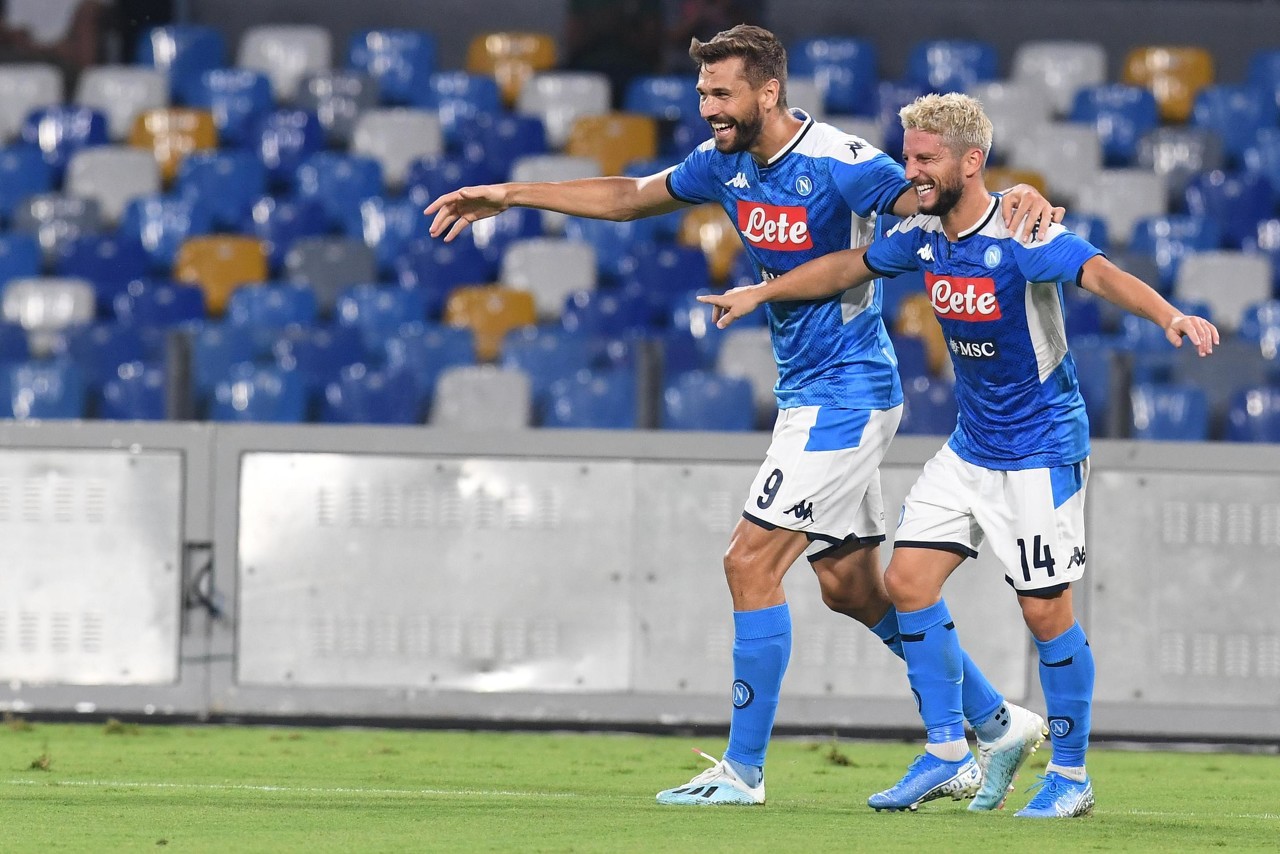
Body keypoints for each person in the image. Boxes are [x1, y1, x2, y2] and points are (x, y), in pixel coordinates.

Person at [426, 25, 1059, 808]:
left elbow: (935, 194)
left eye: (722, 93)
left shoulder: (841, 162)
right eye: (703, 94)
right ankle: (997, 722)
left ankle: (743, 771)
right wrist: (509, 194)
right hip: (811, 395)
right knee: (851, 589)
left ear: (769, 92)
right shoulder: (723, 163)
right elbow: (630, 196)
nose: (709, 108)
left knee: (749, 563)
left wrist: (1014, 196)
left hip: (847, 396)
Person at [696, 91, 1219, 817]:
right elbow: (848, 267)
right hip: (970, 447)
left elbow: (1100, 273)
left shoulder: (1024, 233)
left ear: (971, 162)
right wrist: (763, 293)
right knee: (906, 582)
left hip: (1040, 450)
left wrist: (1170, 315)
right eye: (907, 156)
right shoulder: (922, 236)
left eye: (925, 158)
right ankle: (948, 752)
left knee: (1046, 614)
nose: (910, 171)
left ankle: (1071, 774)